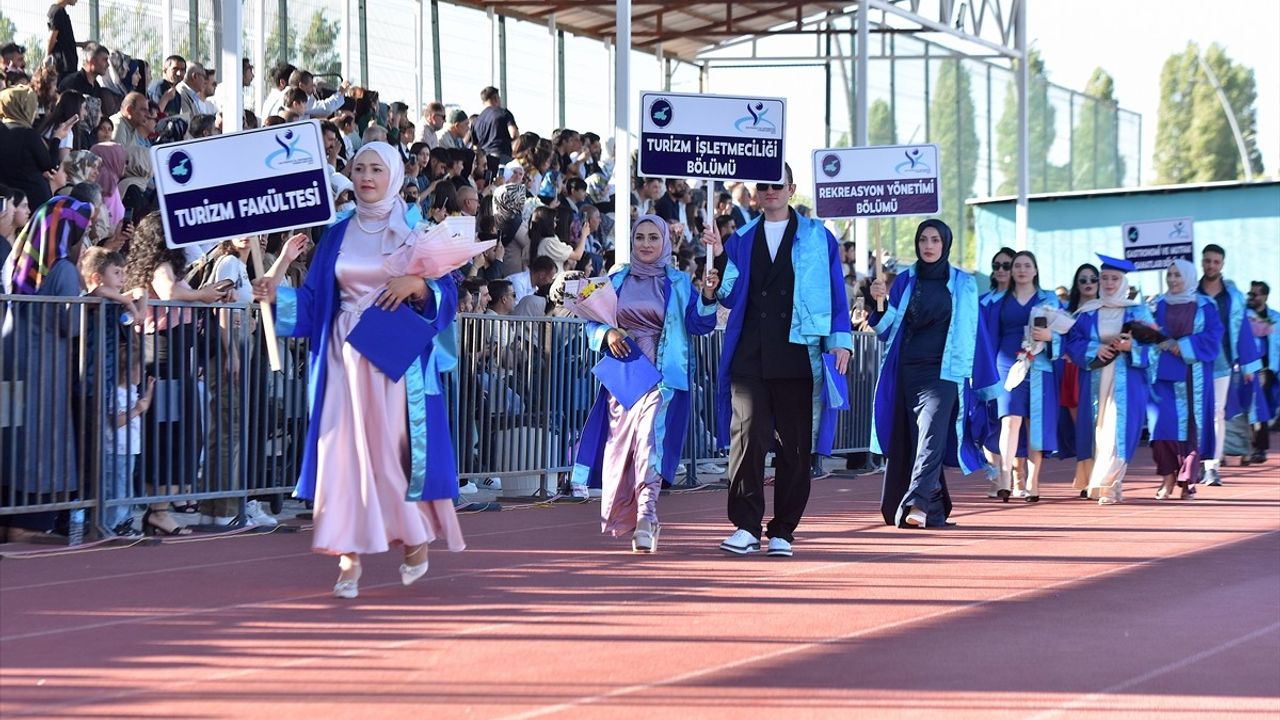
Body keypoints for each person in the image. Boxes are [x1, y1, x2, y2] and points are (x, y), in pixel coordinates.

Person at [252, 142, 465, 599]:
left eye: (376, 169)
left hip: (393, 363)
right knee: (341, 454)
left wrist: (418, 286)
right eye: (359, 168)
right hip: (341, 359)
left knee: (389, 454)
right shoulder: (336, 233)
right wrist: (275, 295)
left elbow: (447, 296)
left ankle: (414, 536)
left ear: (395, 175)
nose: (366, 176)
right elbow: (314, 300)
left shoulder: (416, 232)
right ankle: (348, 556)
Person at [702, 163, 853, 557]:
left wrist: (841, 341)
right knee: (747, 440)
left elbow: (836, 292)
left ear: (792, 188)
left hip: (800, 353)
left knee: (795, 447)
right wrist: (716, 257)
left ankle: (784, 530)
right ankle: (746, 526)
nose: (771, 191)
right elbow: (730, 294)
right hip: (750, 352)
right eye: (764, 185)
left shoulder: (819, 236)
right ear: (756, 191)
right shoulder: (740, 238)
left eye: (778, 185)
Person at [571, 216, 720, 551]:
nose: (646, 244)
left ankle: (646, 516)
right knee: (621, 451)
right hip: (623, 377)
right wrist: (606, 334)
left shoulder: (679, 282)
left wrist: (708, 295)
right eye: (640, 237)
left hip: (662, 378)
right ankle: (641, 518)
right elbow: (590, 322)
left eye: (654, 237)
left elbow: (699, 325)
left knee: (649, 444)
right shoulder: (615, 278)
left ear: (665, 241)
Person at [868, 220, 997, 528]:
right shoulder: (904, 280)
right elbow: (887, 330)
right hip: (907, 371)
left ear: (946, 244)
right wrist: (878, 302)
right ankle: (935, 510)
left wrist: (985, 381)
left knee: (930, 434)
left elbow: (976, 331)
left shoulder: (964, 284)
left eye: (935, 240)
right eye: (923, 239)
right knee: (919, 441)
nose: (928, 245)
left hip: (945, 373)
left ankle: (917, 505)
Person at [1062, 255, 1154, 505]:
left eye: (1115, 278)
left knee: (1116, 429)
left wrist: (1131, 347)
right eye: (1105, 278)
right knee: (1098, 430)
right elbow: (1073, 342)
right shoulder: (1088, 312)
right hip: (1095, 378)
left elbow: (1155, 348)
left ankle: (1109, 484)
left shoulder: (1137, 311)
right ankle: (1103, 482)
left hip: (1127, 380)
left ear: (1123, 282)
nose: (1109, 283)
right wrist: (1095, 349)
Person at [984, 250, 1061, 502]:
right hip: (1007, 364)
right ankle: (1005, 478)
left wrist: (1051, 337)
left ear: (1035, 270)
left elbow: (1066, 331)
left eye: (1027, 266)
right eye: (1017, 266)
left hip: (1038, 366)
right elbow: (989, 335)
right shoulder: (999, 301)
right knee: (1009, 419)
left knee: (1033, 423)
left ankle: (1032, 481)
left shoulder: (1048, 299)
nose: (1022, 270)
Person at [1150, 259, 1223, 501]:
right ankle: (1167, 476)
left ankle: (1187, 482)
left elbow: (1214, 336)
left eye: (1177, 275)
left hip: (1194, 374)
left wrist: (1181, 346)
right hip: (1163, 374)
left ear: (1189, 277)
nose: (1172, 279)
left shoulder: (1205, 306)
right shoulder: (1157, 304)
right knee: (1162, 425)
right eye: (1169, 274)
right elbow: (1147, 334)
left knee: (1191, 427)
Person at [1196, 244, 1263, 485]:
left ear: (1222, 264)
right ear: (1202, 262)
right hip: (1194, 361)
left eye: (1216, 261)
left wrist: (1248, 366)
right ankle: (1195, 463)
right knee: (1196, 414)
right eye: (1207, 261)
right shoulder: (1191, 293)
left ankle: (1212, 466)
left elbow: (1243, 330)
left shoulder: (1233, 297)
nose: (1211, 265)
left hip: (1223, 362)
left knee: (1217, 413)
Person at [0, 86, 75, 209]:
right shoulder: (27, 135)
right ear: (24, 108)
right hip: (32, 200)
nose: (35, 113)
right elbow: (51, 167)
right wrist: (57, 137)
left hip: (6, 202)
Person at [1061, 262, 1100, 496]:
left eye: (1093, 279)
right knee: (1082, 427)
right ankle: (1085, 474)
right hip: (1071, 372)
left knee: (1097, 425)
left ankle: (1093, 477)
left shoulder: (1107, 311)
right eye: (1083, 280)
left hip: (1096, 371)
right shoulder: (1067, 312)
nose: (1088, 284)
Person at [1245, 281, 1278, 463]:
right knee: (1248, 408)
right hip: (1247, 368)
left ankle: (1260, 448)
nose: (1250, 297)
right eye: (1249, 293)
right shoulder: (1244, 315)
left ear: (1264, 296)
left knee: (1262, 409)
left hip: (1267, 370)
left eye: (1255, 294)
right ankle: (1249, 447)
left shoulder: (1276, 318)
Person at [472, 86, 519, 166]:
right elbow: (514, 133)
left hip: (485, 161)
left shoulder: (476, 121)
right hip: (502, 156)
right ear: (496, 98)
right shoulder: (504, 113)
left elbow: (476, 146)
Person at [47, 0, 83, 76]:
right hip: (63, 64)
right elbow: (52, 37)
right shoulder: (57, 11)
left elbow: (65, 40)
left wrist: (81, 44)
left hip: (68, 63)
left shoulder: (61, 12)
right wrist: (47, 56)